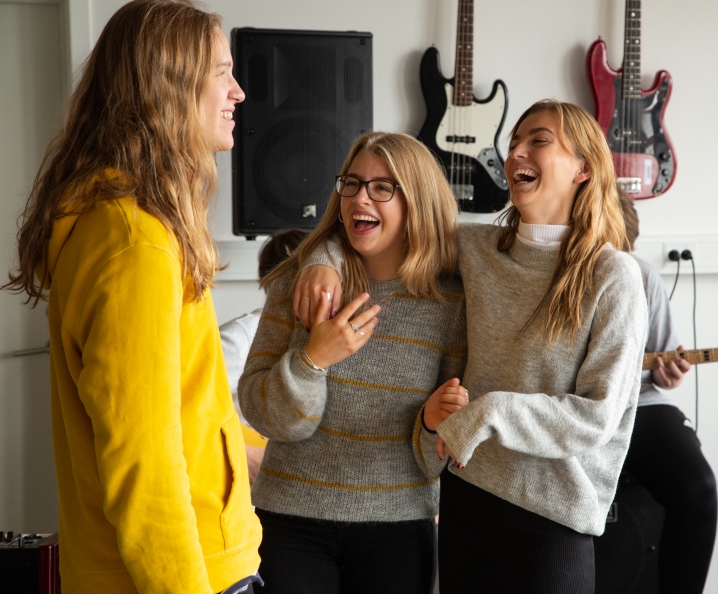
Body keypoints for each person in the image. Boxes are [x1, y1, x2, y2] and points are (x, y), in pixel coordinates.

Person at [295, 99, 648, 594]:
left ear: (584, 168)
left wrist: (490, 413)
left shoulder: (613, 275)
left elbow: (597, 417)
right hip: (466, 505)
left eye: (538, 141)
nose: (515, 152)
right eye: (514, 142)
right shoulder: (476, 249)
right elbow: (374, 223)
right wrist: (324, 260)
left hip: (554, 518)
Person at [2, 1, 263, 591]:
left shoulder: (138, 229)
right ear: (169, 87)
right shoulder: (133, 243)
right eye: (221, 71)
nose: (238, 91)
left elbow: (181, 407)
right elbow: (142, 461)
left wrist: (245, 453)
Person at [238, 131, 468, 594]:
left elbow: (435, 459)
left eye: (383, 187)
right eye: (352, 183)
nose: (360, 197)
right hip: (289, 522)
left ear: (418, 201)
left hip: (399, 529)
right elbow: (267, 416)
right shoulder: (298, 285)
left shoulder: (451, 306)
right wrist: (312, 360)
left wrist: (431, 425)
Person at [615, 191, 718, 594]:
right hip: (572, 406)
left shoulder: (642, 276)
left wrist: (669, 375)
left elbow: (662, 370)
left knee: (698, 488)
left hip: (639, 402)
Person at [219, 228, 309, 484]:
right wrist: (246, 455)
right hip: (250, 493)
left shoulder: (323, 339)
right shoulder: (239, 338)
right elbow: (190, 409)